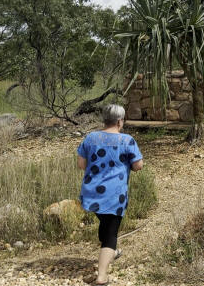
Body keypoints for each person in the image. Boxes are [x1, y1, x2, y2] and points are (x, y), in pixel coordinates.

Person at [77, 104, 144, 285]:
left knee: (105, 223)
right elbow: (138, 165)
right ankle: (102, 276)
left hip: (92, 193)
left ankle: (111, 253)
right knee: (111, 234)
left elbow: (81, 164)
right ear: (120, 121)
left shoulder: (90, 138)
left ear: (104, 119)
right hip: (115, 194)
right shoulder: (127, 140)